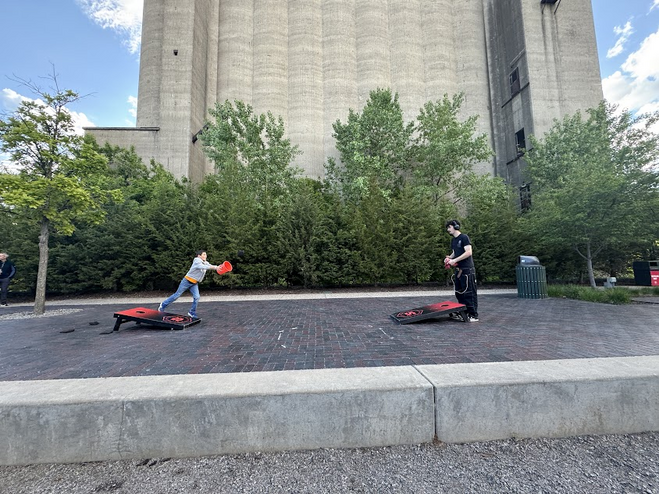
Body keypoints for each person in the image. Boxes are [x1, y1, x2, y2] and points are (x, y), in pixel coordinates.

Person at [158, 250, 219, 318]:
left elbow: (210, 265)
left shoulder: (205, 262)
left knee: (197, 297)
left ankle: (192, 312)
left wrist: (219, 267)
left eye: (206, 254)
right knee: (176, 296)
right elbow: (203, 267)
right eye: (204, 254)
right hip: (186, 281)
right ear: (199, 256)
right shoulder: (197, 261)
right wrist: (215, 267)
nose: (205, 256)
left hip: (194, 283)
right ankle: (163, 305)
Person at [445, 220, 479, 322]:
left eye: (449, 227)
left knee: (469, 293)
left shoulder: (464, 238)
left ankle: (473, 315)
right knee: (459, 292)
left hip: (467, 270)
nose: (448, 230)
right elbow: (455, 253)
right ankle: (464, 312)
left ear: (455, 226)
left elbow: (468, 252)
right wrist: (448, 258)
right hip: (458, 270)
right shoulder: (454, 240)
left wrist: (454, 260)